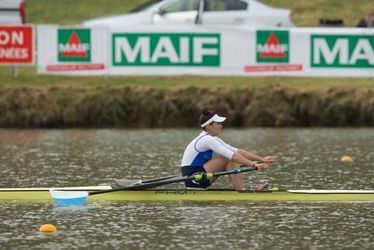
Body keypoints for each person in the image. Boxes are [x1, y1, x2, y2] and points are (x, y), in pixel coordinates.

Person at [180, 108, 276, 191]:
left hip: (200, 177)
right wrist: (254, 165)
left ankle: (243, 190)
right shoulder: (206, 139)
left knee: (235, 159)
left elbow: (237, 151)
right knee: (229, 158)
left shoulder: (213, 138)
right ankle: (242, 191)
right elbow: (232, 156)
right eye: (218, 124)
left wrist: (261, 160)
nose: (221, 126)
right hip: (193, 179)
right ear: (209, 126)